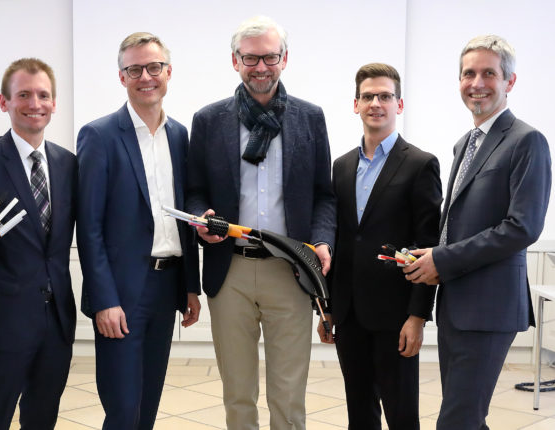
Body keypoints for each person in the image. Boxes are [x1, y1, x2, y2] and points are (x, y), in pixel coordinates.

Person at [185, 16, 336, 429]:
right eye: (250, 58)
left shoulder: (310, 117)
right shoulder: (209, 119)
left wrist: (323, 241)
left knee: (288, 395)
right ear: (235, 60)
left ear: (284, 58)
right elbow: (195, 190)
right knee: (238, 393)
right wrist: (203, 217)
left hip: (290, 269)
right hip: (229, 269)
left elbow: (324, 195)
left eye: (270, 57)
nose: (261, 67)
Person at [404, 35, 552, 429]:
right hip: (455, 304)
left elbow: (522, 227)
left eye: (489, 73)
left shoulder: (527, 141)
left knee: (457, 420)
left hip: (489, 307)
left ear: (509, 81)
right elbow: (455, 223)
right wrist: (429, 257)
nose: (477, 83)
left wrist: (443, 259)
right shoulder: (464, 144)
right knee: (468, 418)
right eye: (468, 74)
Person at [76, 32, 201, 429]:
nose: (145, 77)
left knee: (147, 406)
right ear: (122, 77)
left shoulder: (179, 135)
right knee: (123, 407)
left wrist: (190, 287)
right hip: (123, 292)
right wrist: (104, 300)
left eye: (154, 67)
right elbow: (89, 227)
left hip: (167, 288)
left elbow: (184, 217)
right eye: (134, 70)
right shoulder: (99, 136)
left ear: (168, 72)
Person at [0, 58, 77, 430]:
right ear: (3, 101)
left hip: (56, 322)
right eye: (23, 94)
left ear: (54, 103)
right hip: (0, 322)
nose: (34, 104)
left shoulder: (69, 164)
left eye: (43, 95)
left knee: (42, 418)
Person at [319, 63, 441, 429]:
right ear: (355, 104)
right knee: (359, 413)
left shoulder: (420, 164)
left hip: (396, 314)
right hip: (349, 313)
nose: (376, 103)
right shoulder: (342, 166)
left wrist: (418, 316)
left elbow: (428, 246)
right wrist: (327, 308)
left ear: (398, 105)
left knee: (402, 415)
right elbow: (339, 241)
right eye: (368, 96)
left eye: (385, 96)